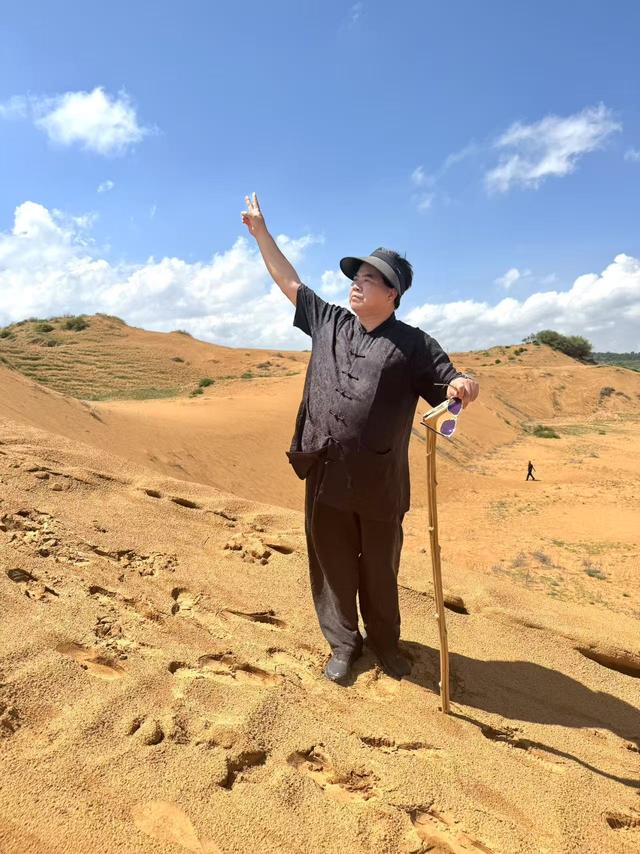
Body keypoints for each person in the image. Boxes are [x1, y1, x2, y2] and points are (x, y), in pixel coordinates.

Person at [241, 193, 479, 683]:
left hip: (380, 483)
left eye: (369, 278)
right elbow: (289, 281)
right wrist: (261, 233)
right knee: (332, 565)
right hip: (325, 472)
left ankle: (385, 643)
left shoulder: (415, 344)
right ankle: (343, 643)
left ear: (393, 293)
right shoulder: (328, 321)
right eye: (356, 276)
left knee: (379, 569)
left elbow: (448, 383)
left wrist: (462, 385)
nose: (357, 283)